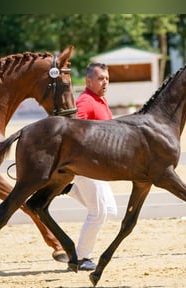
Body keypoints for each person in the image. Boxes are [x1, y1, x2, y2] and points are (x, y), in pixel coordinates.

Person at [63, 62, 118, 271]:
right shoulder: (85, 101)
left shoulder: (100, 100)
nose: (105, 82)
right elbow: (73, 127)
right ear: (88, 81)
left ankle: (69, 189)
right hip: (87, 165)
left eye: (106, 78)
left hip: (100, 167)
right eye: (100, 78)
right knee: (98, 213)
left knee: (111, 211)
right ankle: (82, 258)